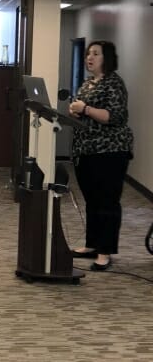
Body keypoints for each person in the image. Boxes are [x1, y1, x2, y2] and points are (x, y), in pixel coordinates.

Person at [68, 41, 133, 271]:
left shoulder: (114, 83)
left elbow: (112, 116)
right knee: (92, 200)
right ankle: (92, 244)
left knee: (107, 201)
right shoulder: (88, 83)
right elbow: (80, 108)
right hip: (86, 151)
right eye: (88, 53)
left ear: (107, 58)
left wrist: (84, 109)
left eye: (96, 54)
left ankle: (105, 252)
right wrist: (74, 110)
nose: (89, 57)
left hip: (110, 151)